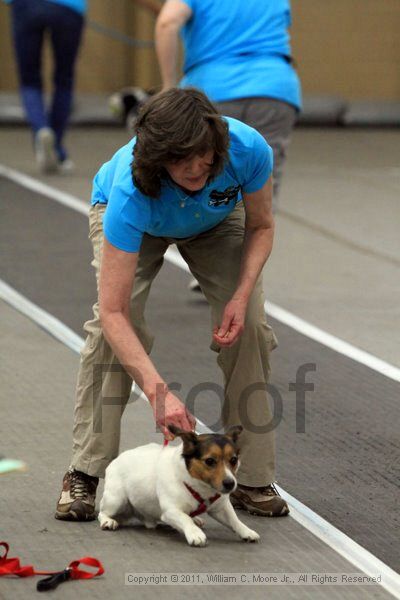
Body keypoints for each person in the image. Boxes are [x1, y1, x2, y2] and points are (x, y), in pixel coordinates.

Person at [55, 87, 289, 521]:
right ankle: (85, 471)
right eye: (183, 161)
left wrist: (240, 296)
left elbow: (261, 225)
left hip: (216, 223)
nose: (198, 167)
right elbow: (114, 312)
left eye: (206, 158)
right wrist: (158, 394)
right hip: (141, 224)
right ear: (159, 157)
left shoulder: (247, 148)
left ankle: (250, 476)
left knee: (251, 326)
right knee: (116, 332)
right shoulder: (129, 188)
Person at [155, 0, 301, 211]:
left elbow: (167, 23)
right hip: (275, 88)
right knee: (264, 185)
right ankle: (256, 240)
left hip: (213, 90)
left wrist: (168, 86)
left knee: (202, 182)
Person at [5, 0, 86, 173]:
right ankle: (56, 148)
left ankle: (41, 129)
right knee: (64, 79)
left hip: (26, 6)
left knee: (29, 80)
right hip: (69, 8)